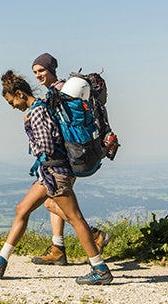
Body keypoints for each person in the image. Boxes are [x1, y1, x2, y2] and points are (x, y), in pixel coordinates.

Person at [0, 70, 113, 285]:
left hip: (55, 172)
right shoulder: (40, 107)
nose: (12, 106)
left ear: (19, 93)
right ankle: (1, 261)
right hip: (49, 173)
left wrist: (34, 145)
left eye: (11, 101)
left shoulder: (36, 112)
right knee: (22, 209)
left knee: (76, 219)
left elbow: (47, 145)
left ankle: (100, 268)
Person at [30, 53, 111, 266]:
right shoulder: (59, 90)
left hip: (65, 158)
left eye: (41, 70)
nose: (38, 75)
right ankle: (58, 248)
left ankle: (94, 236)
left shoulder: (61, 91)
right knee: (54, 201)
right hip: (70, 155)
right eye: (36, 72)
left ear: (51, 70)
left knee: (53, 203)